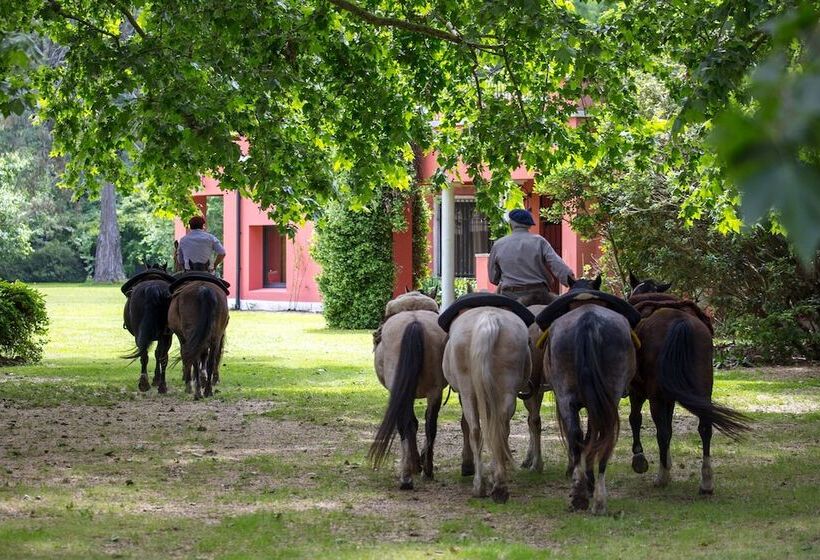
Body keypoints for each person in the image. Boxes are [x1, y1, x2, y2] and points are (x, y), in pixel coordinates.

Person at [488, 208, 575, 305]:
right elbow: (557, 264)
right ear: (529, 225)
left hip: (510, 295)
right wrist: (572, 282)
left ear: (511, 224)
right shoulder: (539, 241)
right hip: (540, 295)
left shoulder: (499, 244)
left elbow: (493, 278)